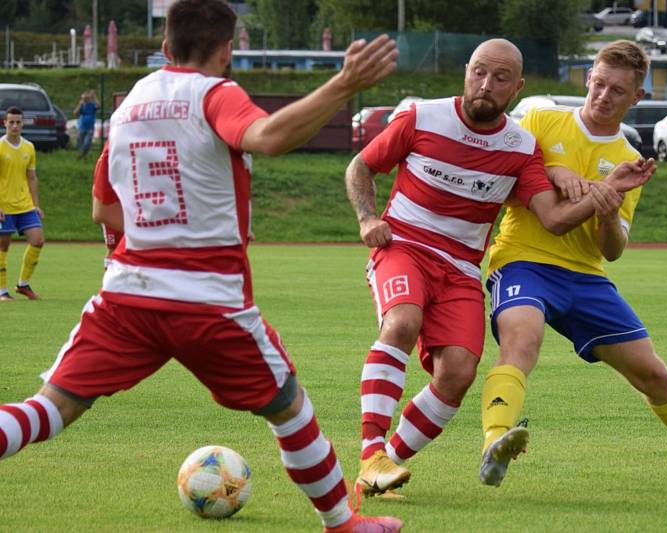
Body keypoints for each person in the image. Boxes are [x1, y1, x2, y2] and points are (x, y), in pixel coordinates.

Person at [0, 2, 402, 532]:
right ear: (227, 49)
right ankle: (343, 524)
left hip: (127, 296)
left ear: (165, 48)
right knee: (290, 410)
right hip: (209, 303)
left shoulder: (128, 106)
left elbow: (106, 206)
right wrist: (343, 85)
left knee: (49, 409)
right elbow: (268, 137)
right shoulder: (216, 93)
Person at [344, 38, 654, 499]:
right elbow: (360, 167)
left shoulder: (521, 146)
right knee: (403, 320)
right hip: (404, 246)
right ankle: (372, 452)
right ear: (467, 72)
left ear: (517, 88)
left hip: (462, 269)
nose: (487, 85)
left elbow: (553, 219)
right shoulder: (422, 116)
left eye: (501, 78)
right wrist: (368, 218)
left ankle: (383, 467)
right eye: (479, 72)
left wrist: (605, 190)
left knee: (459, 373)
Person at [478, 40, 667, 488]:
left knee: (652, 372)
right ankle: (494, 444)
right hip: (523, 261)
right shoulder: (541, 120)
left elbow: (611, 250)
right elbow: (514, 166)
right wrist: (557, 172)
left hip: (585, 276)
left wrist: (609, 208)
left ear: (636, 97)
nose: (602, 96)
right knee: (523, 340)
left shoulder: (628, 162)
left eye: (617, 90)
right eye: (597, 84)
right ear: (588, 78)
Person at [0, 106, 45, 301]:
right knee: (3, 247)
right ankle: (2, 291)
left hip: (25, 204)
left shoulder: (29, 147)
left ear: (22, 123)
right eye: (11, 122)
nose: (15, 125)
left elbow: (32, 177)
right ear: (5, 123)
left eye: (18, 122)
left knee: (38, 240)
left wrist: (36, 204)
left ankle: (23, 284)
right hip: (5, 205)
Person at [74, 90, 98, 159]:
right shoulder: (82, 105)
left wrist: (94, 97)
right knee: (80, 141)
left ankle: (83, 154)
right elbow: (75, 112)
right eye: (84, 99)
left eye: (86, 99)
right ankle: (82, 155)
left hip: (90, 127)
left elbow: (98, 106)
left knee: (87, 143)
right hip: (81, 127)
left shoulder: (92, 105)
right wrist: (80, 104)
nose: (85, 100)